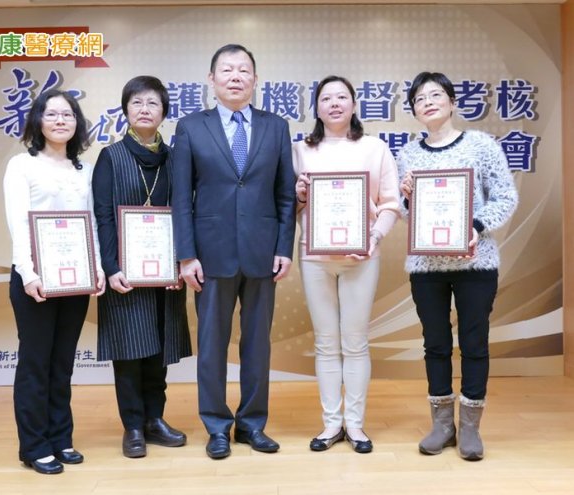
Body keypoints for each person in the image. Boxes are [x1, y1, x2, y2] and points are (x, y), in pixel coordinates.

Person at [172, 44, 296, 459]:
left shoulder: (276, 127)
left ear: (256, 80)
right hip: (210, 255)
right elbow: (181, 197)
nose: (236, 76)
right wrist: (186, 255)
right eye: (227, 70)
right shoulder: (191, 127)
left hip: (262, 253)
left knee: (257, 345)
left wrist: (284, 247)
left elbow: (284, 195)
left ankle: (252, 424)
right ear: (211, 80)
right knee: (211, 346)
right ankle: (216, 426)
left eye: (244, 70)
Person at [397, 71, 518, 461]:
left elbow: (505, 196)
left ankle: (470, 427)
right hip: (426, 267)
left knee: (474, 343)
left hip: (475, 263)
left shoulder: (481, 145)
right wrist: (407, 198)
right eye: (420, 99)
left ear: (452, 102)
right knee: (435, 344)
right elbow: (407, 213)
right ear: (414, 110)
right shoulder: (408, 154)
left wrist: (475, 227)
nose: (428, 103)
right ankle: (442, 425)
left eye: (436, 95)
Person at [294, 75, 400, 454]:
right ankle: (331, 424)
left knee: (355, 342)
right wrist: (299, 196)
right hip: (315, 258)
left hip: (362, 257)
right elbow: (287, 206)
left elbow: (390, 204)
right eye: (326, 98)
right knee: (326, 343)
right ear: (316, 107)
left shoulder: (375, 148)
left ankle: (355, 425)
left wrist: (373, 238)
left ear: (354, 104)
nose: (335, 103)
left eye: (342, 97)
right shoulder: (299, 150)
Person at [3, 89, 106, 475]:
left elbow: (92, 223)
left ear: (77, 123)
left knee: (62, 363)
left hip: (76, 279)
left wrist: (96, 267)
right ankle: (34, 446)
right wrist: (28, 273)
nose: (60, 120)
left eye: (68, 114)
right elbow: (17, 222)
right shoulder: (21, 165)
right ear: (38, 121)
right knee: (35, 363)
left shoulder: (84, 170)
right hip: (35, 280)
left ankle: (61, 437)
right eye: (52, 114)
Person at [92, 76, 192, 459]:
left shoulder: (175, 159)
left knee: (158, 350)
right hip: (124, 274)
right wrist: (111, 267)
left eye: (152, 103)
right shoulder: (111, 157)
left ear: (164, 112)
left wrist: (180, 263)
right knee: (129, 352)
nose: (144, 109)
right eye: (136, 102)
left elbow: (186, 212)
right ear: (126, 111)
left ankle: (155, 420)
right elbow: (103, 215)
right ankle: (133, 425)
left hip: (165, 274)